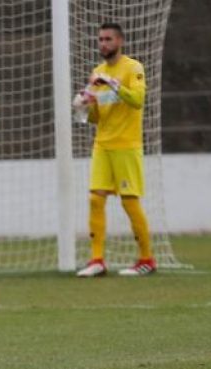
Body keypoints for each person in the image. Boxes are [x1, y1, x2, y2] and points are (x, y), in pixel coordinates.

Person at [73, 22, 155, 277]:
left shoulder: (133, 68)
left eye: (108, 39)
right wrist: (83, 106)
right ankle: (97, 260)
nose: (103, 43)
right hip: (102, 145)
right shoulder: (96, 72)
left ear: (119, 41)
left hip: (126, 146)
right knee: (95, 199)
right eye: (100, 39)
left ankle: (146, 260)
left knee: (130, 203)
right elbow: (98, 116)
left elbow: (138, 101)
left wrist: (112, 83)